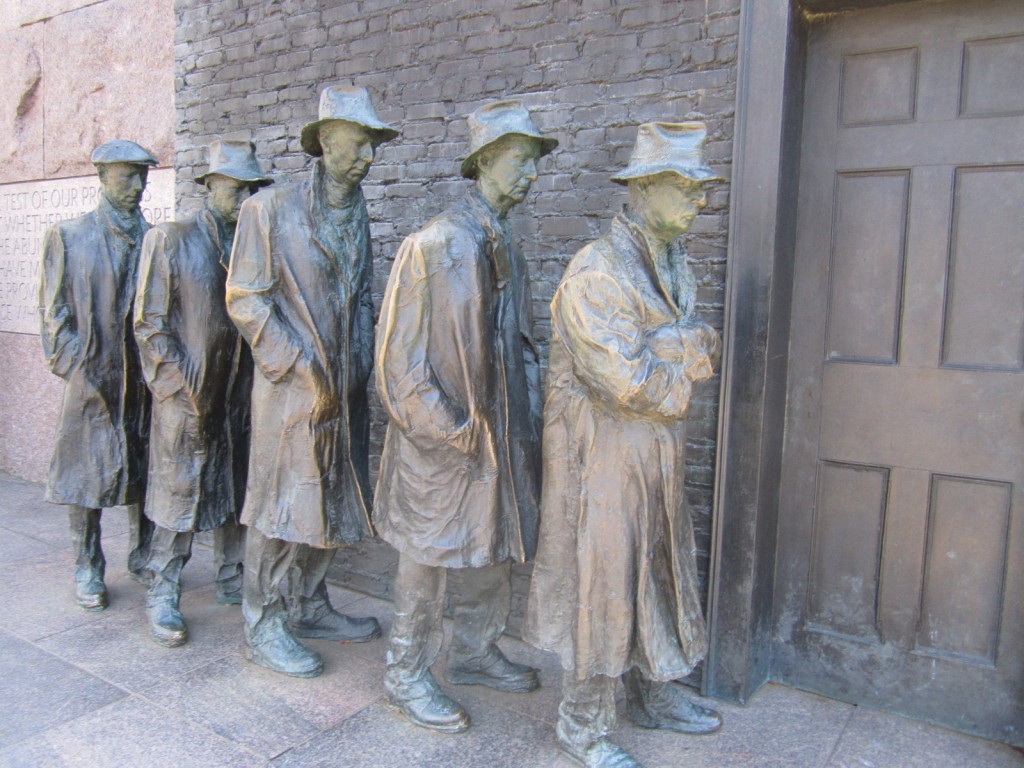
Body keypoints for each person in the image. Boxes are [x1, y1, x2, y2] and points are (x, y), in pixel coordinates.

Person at [523, 122, 724, 768]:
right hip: (601, 460)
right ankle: (581, 724)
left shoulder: (674, 263)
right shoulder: (596, 273)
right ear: (642, 190)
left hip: (652, 456)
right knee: (602, 583)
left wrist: (674, 350)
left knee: (659, 571)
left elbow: (699, 342)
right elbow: (626, 380)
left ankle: (653, 692)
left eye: (700, 189)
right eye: (686, 187)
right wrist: (679, 359)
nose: (699, 200)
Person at [374, 100, 556, 733]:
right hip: (442, 444)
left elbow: (524, 344)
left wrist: (527, 419)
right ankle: (404, 671)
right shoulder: (434, 244)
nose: (530, 174)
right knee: (427, 559)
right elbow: (399, 364)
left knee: (493, 548)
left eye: (534, 162)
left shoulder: (508, 243)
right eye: (518, 160)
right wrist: (452, 430)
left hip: (503, 437)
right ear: (483, 163)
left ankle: (475, 652)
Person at [226, 85, 397, 678]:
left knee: (331, 499)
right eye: (358, 142)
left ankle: (310, 600)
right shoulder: (267, 209)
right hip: (291, 392)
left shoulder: (360, 212)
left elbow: (363, 296)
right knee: (279, 506)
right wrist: (298, 366)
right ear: (325, 141)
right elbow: (246, 300)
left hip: (344, 390)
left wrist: (362, 364)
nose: (368, 156)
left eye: (373, 145)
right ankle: (263, 621)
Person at [134, 139, 272, 647]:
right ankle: (163, 585)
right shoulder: (171, 240)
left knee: (236, 488)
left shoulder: (254, 246)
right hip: (187, 397)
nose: (243, 197)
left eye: (251, 188)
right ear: (211, 184)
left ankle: (232, 575)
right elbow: (149, 325)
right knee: (178, 495)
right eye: (235, 186)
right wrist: (176, 389)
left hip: (239, 395)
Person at [39, 139, 158, 611]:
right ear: (103, 176)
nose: (137, 186)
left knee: (146, 470)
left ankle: (145, 554)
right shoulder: (69, 236)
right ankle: (87, 563)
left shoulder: (154, 238)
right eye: (127, 176)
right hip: (91, 379)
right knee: (84, 477)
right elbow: (53, 315)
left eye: (142, 177)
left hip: (144, 380)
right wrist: (75, 368)